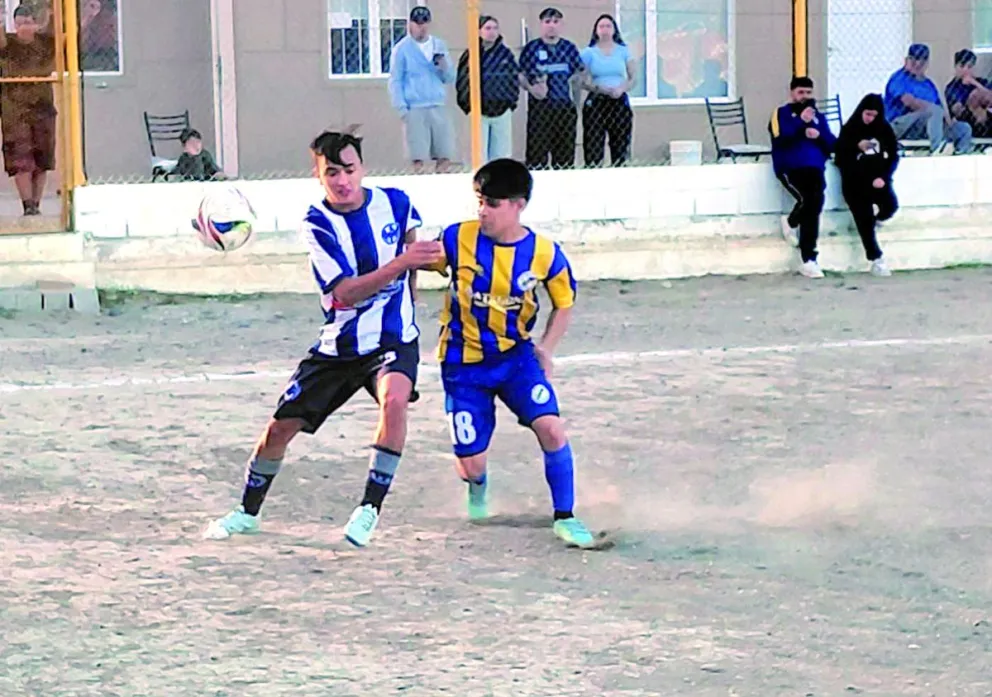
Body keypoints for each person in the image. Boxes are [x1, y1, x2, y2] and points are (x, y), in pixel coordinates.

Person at [203, 131, 444, 547]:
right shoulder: (317, 224)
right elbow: (346, 292)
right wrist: (401, 265)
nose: (342, 180)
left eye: (349, 170)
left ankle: (369, 509)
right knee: (279, 430)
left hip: (393, 340)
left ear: (362, 169)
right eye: (332, 172)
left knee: (395, 400)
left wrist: (415, 289)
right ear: (318, 176)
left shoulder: (397, 203)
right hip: (339, 348)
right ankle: (247, 511)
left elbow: (416, 252)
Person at [422, 158, 597, 549]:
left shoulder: (544, 254)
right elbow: (421, 262)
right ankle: (478, 486)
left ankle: (565, 517)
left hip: (516, 361)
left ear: (518, 205)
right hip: (462, 366)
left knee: (551, 428)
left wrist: (547, 350)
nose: (483, 210)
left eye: (493, 203)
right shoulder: (457, 238)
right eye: (480, 201)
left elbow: (564, 302)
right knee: (471, 466)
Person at [769, 76, 837, 279]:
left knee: (815, 202)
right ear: (792, 93)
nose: (804, 97)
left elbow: (833, 143)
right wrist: (801, 122)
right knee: (811, 200)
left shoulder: (819, 118)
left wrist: (819, 136)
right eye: (800, 93)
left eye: (808, 93)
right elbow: (780, 137)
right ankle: (809, 257)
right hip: (791, 168)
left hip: (815, 168)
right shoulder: (781, 113)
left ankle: (793, 224)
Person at [834, 94, 899, 277]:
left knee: (891, 206)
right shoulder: (850, 128)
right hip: (855, 183)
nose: (869, 119)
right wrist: (856, 147)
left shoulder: (884, 129)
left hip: (878, 180)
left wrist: (884, 176)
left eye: (873, 115)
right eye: (867, 114)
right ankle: (876, 258)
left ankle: (875, 222)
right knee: (864, 220)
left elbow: (893, 155)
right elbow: (840, 157)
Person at [0, 2, 56, 216]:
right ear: (14, 24)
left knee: (43, 158)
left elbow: (64, 36)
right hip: (14, 109)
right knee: (21, 159)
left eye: (28, 22)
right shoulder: (8, 44)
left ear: (35, 24)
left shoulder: (45, 43)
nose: (24, 26)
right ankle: (28, 205)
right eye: (20, 22)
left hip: (42, 107)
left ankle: (37, 203)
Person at [388, 6, 456, 174]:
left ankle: (441, 182)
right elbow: (395, 80)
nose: (421, 27)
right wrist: (402, 108)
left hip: (437, 104)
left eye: (424, 23)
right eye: (417, 23)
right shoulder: (402, 49)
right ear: (410, 24)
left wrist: (444, 67)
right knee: (417, 155)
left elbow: (450, 77)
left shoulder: (439, 45)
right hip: (415, 107)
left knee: (444, 151)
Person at [518, 7, 584, 169]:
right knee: (537, 157)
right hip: (541, 108)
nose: (551, 25)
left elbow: (580, 73)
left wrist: (576, 101)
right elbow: (520, 74)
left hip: (564, 106)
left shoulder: (569, 48)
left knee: (564, 157)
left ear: (561, 25)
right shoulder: (532, 48)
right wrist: (532, 89)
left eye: (555, 21)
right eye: (547, 22)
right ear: (541, 24)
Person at [884, 43, 971, 155]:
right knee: (933, 111)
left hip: (924, 128)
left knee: (963, 128)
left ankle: (960, 155)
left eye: (923, 60)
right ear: (908, 60)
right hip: (900, 126)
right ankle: (937, 149)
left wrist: (949, 123)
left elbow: (941, 111)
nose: (918, 63)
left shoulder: (929, 84)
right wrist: (931, 109)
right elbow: (909, 101)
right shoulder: (899, 78)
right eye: (915, 59)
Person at [455, 15, 520, 162]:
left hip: (502, 110)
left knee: (501, 155)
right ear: (478, 31)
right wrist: (468, 106)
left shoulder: (505, 54)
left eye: (495, 28)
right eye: (488, 28)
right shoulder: (471, 54)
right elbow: (462, 81)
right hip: (479, 111)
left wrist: (511, 103)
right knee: (478, 156)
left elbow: (513, 80)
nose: (492, 32)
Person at [580, 14, 636, 167]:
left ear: (614, 30)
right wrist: (598, 88)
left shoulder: (623, 51)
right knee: (594, 143)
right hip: (597, 101)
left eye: (608, 26)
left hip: (618, 101)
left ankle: (619, 167)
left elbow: (633, 78)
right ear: (596, 30)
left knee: (620, 142)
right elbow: (581, 80)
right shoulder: (588, 53)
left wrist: (621, 89)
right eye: (601, 26)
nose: (605, 29)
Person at [945, 49, 992, 139]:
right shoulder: (952, 87)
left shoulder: (981, 82)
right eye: (962, 66)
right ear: (956, 67)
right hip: (967, 118)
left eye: (969, 67)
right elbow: (957, 109)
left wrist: (975, 84)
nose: (965, 70)